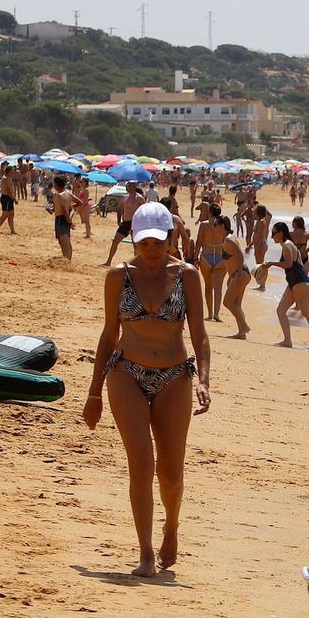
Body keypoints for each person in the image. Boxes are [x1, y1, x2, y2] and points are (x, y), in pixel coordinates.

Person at [81, 203, 212, 578]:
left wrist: (204, 380)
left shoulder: (187, 276)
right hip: (126, 373)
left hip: (174, 376)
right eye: (143, 243)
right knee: (141, 463)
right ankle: (145, 552)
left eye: (157, 241)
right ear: (135, 240)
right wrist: (93, 394)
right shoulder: (118, 276)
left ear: (171, 238)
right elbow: (109, 334)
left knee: (171, 472)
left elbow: (200, 336)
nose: (151, 249)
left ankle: (171, 525)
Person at [256, 223, 309, 351]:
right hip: (295, 283)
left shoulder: (287, 245)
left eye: (274, 233)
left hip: (300, 283)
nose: (272, 236)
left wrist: (271, 264)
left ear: (281, 233)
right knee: (281, 310)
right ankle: (287, 341)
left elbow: (288, 264)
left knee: (306, 313)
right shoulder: (288, 244)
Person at [216, 216, 252, 340]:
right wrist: (231, 276)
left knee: (228, 302)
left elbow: (240, 256)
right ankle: (241, 332)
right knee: (236, 304)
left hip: (240, 274)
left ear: (222, 226)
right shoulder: (226, 239)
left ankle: (245, 326)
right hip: (237, 274)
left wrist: (238, 275)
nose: (214, 227)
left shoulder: (229, 240)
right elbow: (232, 260)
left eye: (216, 224)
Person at [103, 182, 145, 267]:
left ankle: (136, 264)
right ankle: (108, 261)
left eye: (129, 185)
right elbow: (119, 209)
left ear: (134, 186)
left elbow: (145, 210)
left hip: (135, 224)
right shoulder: (125, 197)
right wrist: (119, 221)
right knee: (115, 241)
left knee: (136, 245)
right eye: (127, 185)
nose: (127, 187)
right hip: (125, 223)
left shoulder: (140, 198)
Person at [50, 176, 78, 261]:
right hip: (64, 218)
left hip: (60, 219)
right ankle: (66, 258)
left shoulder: (59, 195)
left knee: (64, 241)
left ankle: (67, 260)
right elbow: (78, 203)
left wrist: (70, 222)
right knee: (64, 241)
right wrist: (71, 215)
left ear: (56, 185)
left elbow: (65, 211)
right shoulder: (67, 193)